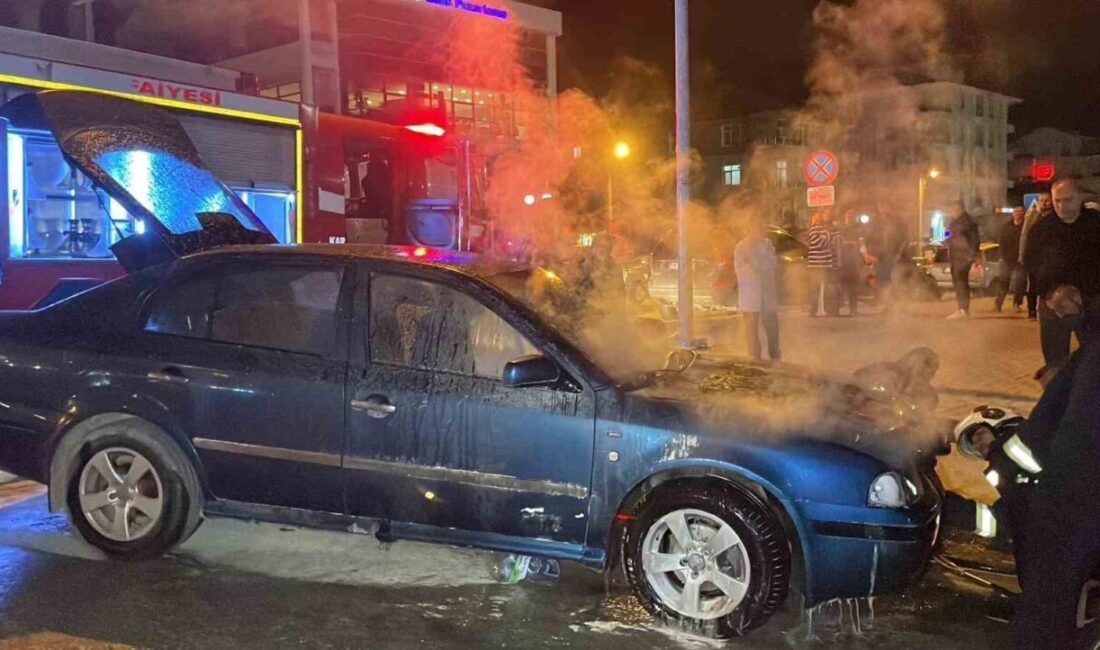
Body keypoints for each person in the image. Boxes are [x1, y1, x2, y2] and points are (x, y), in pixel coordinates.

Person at [1007, 340, 1100, 647]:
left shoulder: (1092, 351)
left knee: (1050, 593)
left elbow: (1037, 429)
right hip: (1074, 486)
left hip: (1069, 489)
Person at [1023, 177, 1100, 369]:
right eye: (1057, 200)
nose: (1062, 206)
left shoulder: (1095, 224)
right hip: (1052, 301)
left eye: (1067, 199)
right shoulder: (1041, 229)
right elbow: (1031, 264)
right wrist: (1047, 294)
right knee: (1056, 362)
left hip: (1092, 299)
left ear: (1080, 198)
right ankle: (1058, 395)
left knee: (1094, 356)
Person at [734, 219, 780, 362]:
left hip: (767, 292)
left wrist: (755, 265)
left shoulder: (767, 245)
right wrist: (756, 268)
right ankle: (755, 355)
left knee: (771, 325)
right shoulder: (741, 246)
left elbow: (771, 264)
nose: (756, 232)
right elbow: (741, 269)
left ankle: (774, 352)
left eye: (758, 229)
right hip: (750, 294)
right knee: (751, 327)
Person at [866, 200, 905, 310]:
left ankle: (894, 304)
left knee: (892, 280)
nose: (883, 210)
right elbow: (869, 239)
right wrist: (868, 253)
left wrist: (899, 254)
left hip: (892, 255)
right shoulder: (875, 222)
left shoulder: (898, 222)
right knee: (881, 280)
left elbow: (903, 239)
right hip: (878, 257)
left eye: (885, 207)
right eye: (880, 207)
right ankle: (884, 303)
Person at [1020, 192, 1054, 320]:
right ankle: (1032, 310)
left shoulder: (1056, 218)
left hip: (1050, 258)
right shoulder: (1032, 216)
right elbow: (1024, 235)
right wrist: (1022, 254)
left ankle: (1047, 308)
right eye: (1041, 201)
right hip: (1035, 258)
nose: (1044, 203)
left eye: (1047, 200)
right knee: (1033, 285)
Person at [945, 200, 980, 320]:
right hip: (955, 256)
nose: (950, 211)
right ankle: (961, 308)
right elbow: (948, 234)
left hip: (964, 257)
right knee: (957, 282)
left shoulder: (968, 222)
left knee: (961, 282)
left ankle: (963, 310)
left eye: (952, 208)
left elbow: (975, 239)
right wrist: (947, 239)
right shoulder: (953, 222)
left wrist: (972, 254)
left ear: (959, 208)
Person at [805, 211, 840, 317]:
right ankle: (813, 310)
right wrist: (830, 240)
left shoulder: (829, 229)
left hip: (828, 264)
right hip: (816, 265)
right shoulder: (813, 229)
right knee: (815, 289)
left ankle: (830, 310)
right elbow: (817, 243)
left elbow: (838, 241)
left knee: (830, 288)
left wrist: (828, 239)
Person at [994, 205, 1026, 313]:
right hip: (1006, 260)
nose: (1018, 213)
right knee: (1003, 283)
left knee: (1019, 284)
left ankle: (1016, 304)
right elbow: (1001, 243)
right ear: (1013, 213)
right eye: (1016, 211)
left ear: (1023, 213)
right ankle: (998, 304)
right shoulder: (1006, 227)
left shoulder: (1026, 227)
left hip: (1021, 260)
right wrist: (1002, 257)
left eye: (1020, 211)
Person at [838, 209, 865, 316]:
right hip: (843, 260)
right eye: (848, 215)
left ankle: (853, 309)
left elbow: (862, 242)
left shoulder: (858, 229)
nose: (849, 217)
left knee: (854, 286)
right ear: (845, 217)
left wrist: (864, 255)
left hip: (854, 261)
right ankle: (837, 308)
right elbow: (838, 241)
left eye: (852, 215)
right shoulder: (840, 228)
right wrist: (851, 243)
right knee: (841, 285)